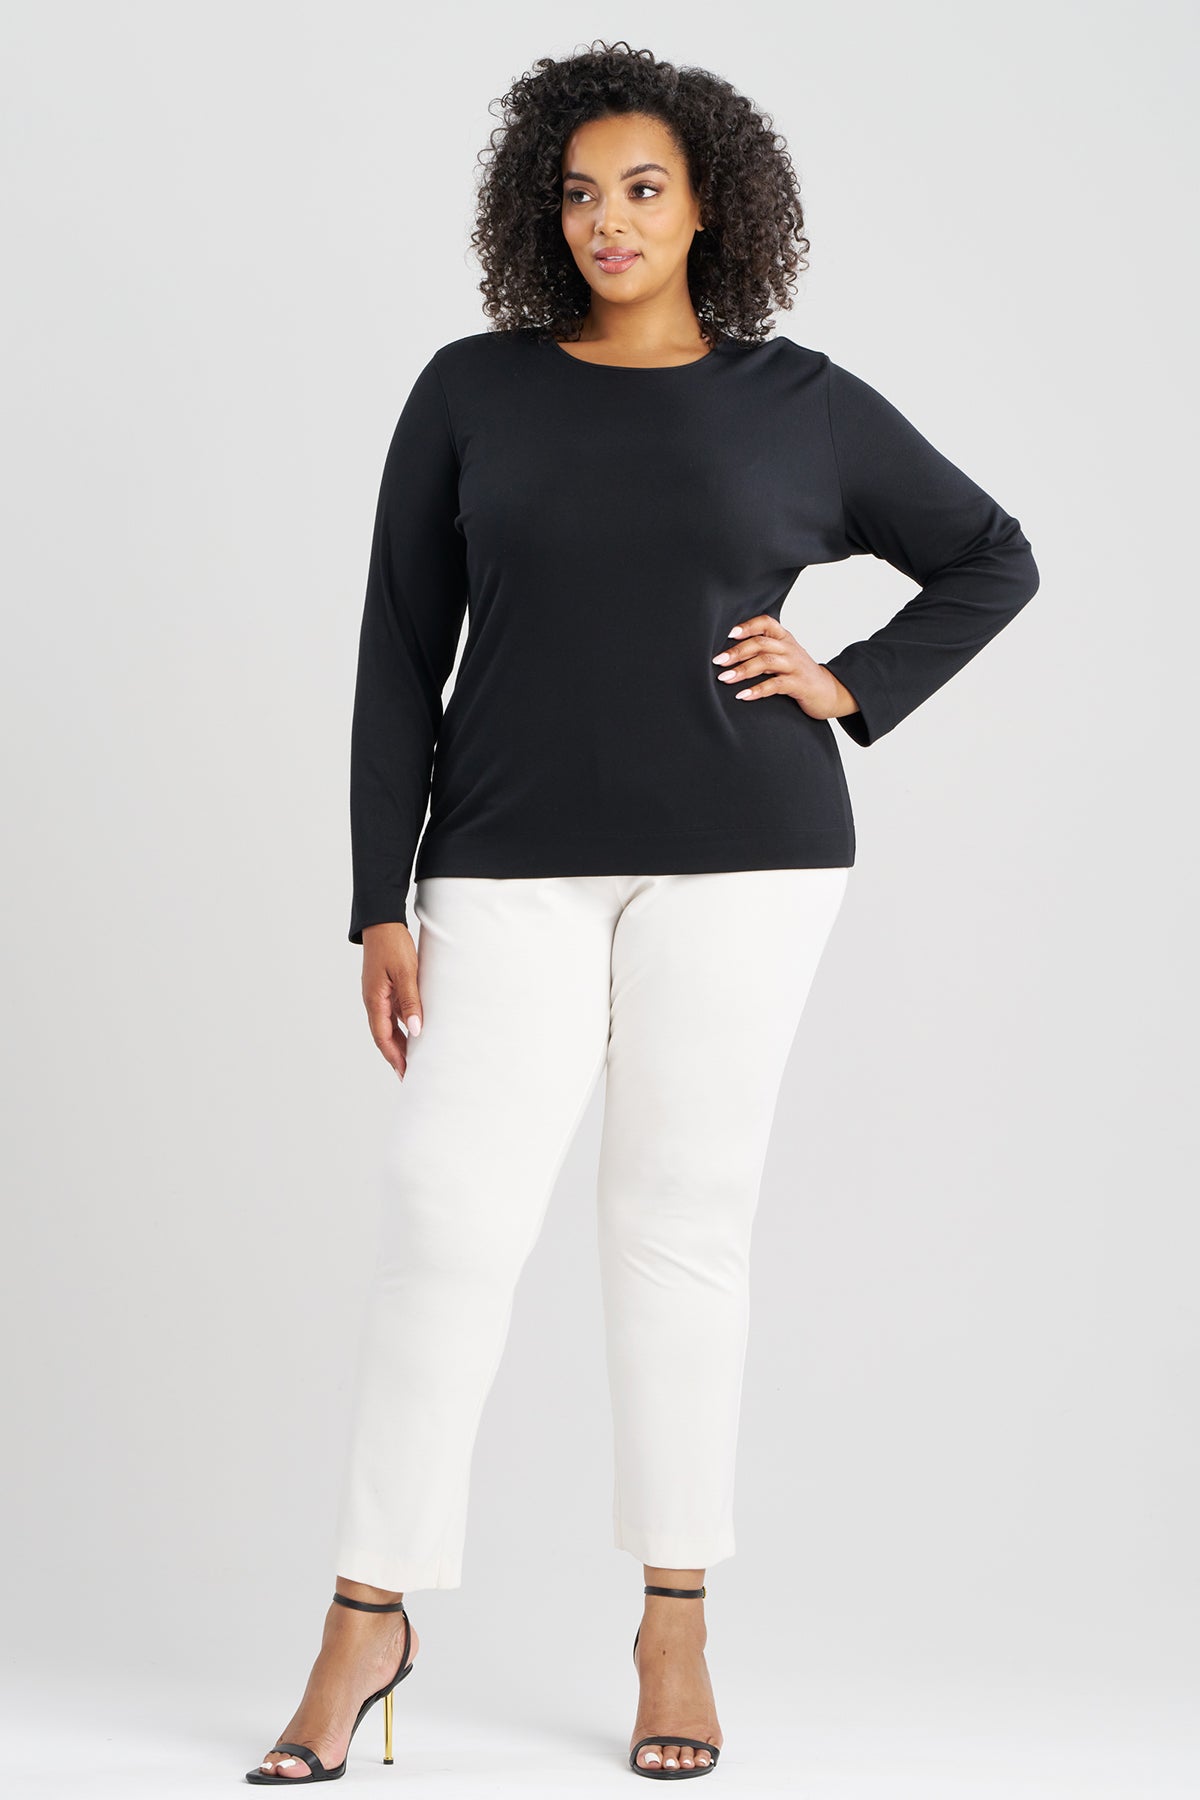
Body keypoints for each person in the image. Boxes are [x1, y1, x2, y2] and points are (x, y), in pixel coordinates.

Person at [246, 40, 1039, 1785]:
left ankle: (674, 1617)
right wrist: (377, 899)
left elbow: (994, 553)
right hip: (502, 858)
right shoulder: (471, 390)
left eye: (645, 188)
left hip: (746, 854)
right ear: (544, 211)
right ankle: (368, 1615)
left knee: (679, 1224)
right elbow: (399, 647)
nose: (608, 219)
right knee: (449, 1213)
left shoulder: (797, 402)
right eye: (581, 191)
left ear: (708, 208)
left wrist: (851, 682)